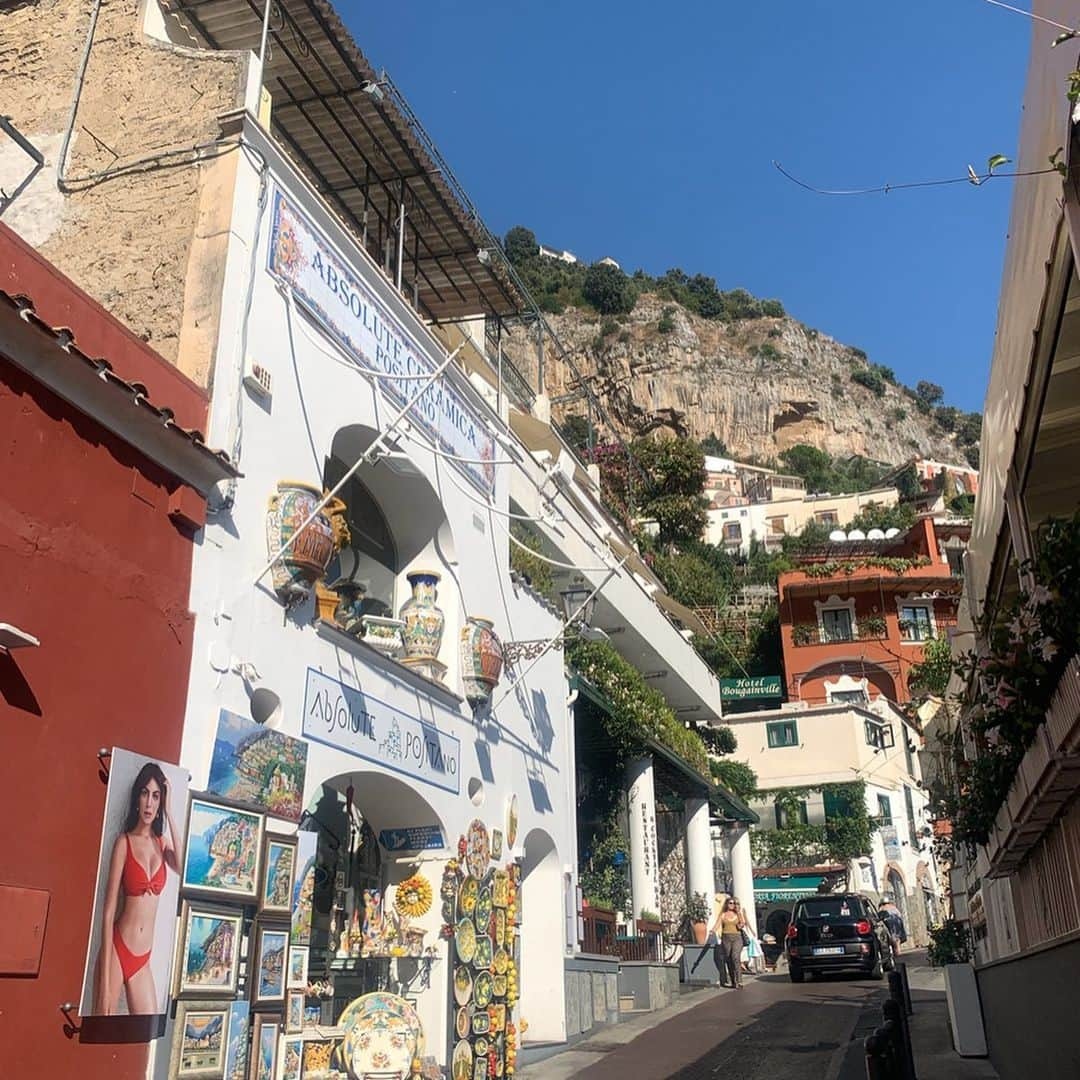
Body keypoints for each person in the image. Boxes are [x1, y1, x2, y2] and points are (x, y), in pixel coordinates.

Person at [93, 762, 180, 1015]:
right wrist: (105, 976)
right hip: (117, 949)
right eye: (144, 794)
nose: (150, 803)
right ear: (137, 799)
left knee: (146, 1026)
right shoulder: (124, 842)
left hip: (143, 958)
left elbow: (183, 867)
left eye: (156, 796)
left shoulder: (162, 844)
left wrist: (171, 812)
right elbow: (108, 913)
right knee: (102, 1023)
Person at [715, 896, 748, 988]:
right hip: (726, 938)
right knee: (729, 959)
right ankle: (733, 981)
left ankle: (740, 981)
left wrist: (740, 922)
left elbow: (742, 923)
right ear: (727, 904)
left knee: (735, 957)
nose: (732, 905)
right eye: (730, 903)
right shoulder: (723, 914)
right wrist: (712, 931)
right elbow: (717, 924)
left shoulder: (738, 914)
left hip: (737, 937)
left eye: (734, 903)